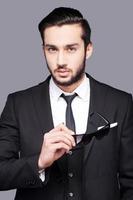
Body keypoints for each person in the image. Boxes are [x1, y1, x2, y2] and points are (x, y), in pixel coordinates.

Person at [0, 6, 133, 200]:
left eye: (71, 49)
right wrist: (38, 162)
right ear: (43, 49)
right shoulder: (18, 103)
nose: (60, 61)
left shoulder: (121, 102)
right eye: (52, 49)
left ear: (88, 49)